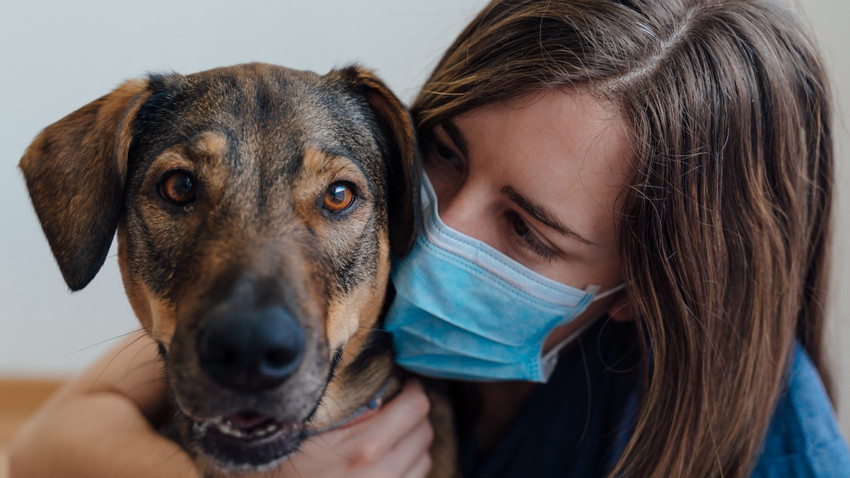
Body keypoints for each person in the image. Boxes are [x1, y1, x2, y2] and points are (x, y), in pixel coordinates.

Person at [10, 0, 850, 477]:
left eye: (525, 228)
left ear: (638, 287)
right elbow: (45, 444)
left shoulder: (766, 440)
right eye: (443, 156)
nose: (438, 231)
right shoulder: (359, 307)